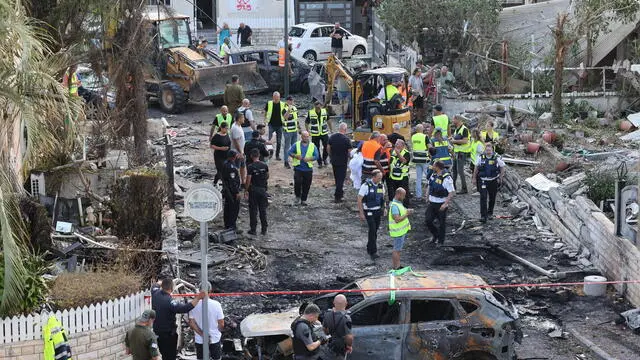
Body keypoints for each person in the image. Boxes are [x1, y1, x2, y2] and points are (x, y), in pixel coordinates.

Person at [151, 279, 204, 360]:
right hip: (168, 335)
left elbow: (154, 286)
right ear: (171, 288)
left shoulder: (155, 293)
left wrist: (160, 283)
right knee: (170, 356)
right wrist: (198, 298)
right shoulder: (169, 301)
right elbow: (184, 308)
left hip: (158, 333)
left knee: (164, 354)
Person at [188, 282, 224, 360]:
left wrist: (202, 334)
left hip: (200, 339)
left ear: (199, 291)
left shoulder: (193, 305)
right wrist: (216, 331)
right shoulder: (216, 304)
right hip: (214, 338)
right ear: (210, 291)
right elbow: (221, 324)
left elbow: (191, 323)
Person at [472, 143, 505, 223]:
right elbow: (476, 168)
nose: (488, 151)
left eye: (489, 150)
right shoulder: (480, 157)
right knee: (483, 197)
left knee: (492, 197)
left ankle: (490, 213)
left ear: (492, 150)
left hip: (493, 180)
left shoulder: (497, 157)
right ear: (485, 150)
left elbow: (502, 167)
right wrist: (474, 178)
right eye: (487, 150)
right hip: (483, 180)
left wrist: (500, 177)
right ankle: (483, 216)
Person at [357, 169, 385, 260]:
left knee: (375, 230)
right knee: (372, 229)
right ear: (373, 177)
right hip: (368, 211)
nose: (380, 179)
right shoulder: (365, 186)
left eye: (381, 177)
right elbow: (359, 200)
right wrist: (361, 213)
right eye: (379, 178)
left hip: (377, 211)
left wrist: (384, 208)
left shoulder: (381, 186)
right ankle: (373, 251)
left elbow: (382, 198)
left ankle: (370, 247)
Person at [425, 161, 454, 245]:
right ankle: (435, 235)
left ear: (437, 167)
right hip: (432, 202)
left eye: (433, 165)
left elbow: (451, 192)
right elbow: (429, 186)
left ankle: (441, 241)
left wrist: (445, 204)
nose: (432, 167)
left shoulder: (446, 178)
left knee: (442, 223)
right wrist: (427, 196)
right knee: (428, 220)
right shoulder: (433, 175)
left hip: (441, 204)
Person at [288, 131, 319, 206]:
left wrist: (310, 158)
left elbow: (316, 156)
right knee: (297, 183)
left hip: (308, 169)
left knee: (307, 184)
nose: (306, 138)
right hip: (298, 168)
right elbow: (289, 152)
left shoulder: (312, 146)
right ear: (301, 137)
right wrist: (295, 156)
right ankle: (297, 196)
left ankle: (304, 199)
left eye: (307, 136)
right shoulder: (296, 144)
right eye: (304, 136)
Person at [322, 295, 354, 359]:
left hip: (331, 344)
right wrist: (349, 346)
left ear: (334, 303)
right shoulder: (346, 318)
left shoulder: (327, 314)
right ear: (346, 303)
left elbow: (325, 330)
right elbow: (349, 337)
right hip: (341, 346)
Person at [246, 148, 269, 235]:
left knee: (253, 210)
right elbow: (267, 175)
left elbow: (248, 179)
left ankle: (253, 229)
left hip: (254, 190)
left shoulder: (250, 167)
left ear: (251, 156)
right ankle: (264, 229)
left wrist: (246, 189)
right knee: (263, 210)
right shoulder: (264, 165)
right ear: (259, 155)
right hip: (263, 190)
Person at [327, 122, 352, 202]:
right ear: (345, 129)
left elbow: (328, 148)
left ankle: (340, 193)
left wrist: (331, 155)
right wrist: (349, 158)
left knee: (337, 177)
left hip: (334, 160)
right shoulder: (346, 139)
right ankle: (337, 196)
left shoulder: (332, 137)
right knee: (341, 179)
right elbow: (349, 151)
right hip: (343, 161)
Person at [389, 187, 413, 269]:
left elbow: (401, 212)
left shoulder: (398, 203)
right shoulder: (395, 206)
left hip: (400, 231)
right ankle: (396, 267)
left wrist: (406, 211)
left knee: (398, 250)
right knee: (397, 250)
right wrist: (407, 214)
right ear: (398, 194)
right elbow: (397, 219)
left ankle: (398, 265)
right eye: (403, 195)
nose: (404, 197)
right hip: (398, 232)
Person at [306, 101, 332, 168]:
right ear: (314, 106)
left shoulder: (324, 111)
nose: (318, 107)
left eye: (319, 106)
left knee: (326, 147)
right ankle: (319, 162)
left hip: (324, 133)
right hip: (315, 134)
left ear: (321, 106)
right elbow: (306, 122)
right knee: (316, 149)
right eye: (316, 106)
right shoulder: (311, 112)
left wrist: (331, 129)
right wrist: (308, 131)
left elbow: (328, 120)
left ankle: (324, 159)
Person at [221, 150, 242, 231]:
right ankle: (231, 226)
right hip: (231, 191)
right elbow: (232, 181)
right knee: (233, 209)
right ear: (233, 157)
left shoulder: (225, 164)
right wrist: (237, 192)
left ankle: (227, 224)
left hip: (227, 190)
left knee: (227, 208)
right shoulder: (232, 168)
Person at [450, 115, 471, 194]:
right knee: (454, 170)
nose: (452, 120)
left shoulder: (464, 129)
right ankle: (453, 187)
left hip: (462, 152)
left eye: (453, 119)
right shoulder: (457, 129)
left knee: (460, 170)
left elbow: (465, 141)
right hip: (456, 152)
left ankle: (464, 188)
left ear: (458, 120)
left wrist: (454, 141)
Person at [388, 140, 411, 207]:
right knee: (394, 192)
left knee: (404, 192)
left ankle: (405, 206)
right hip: (393, 176)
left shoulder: (406, 153)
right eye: (396, 144)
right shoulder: (393, 152)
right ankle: (396, 204)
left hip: (403, 177)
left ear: (402, 145)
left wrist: (398, 153)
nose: (396, 145)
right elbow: (391, 161)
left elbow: (404, 161)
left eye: (398, 144)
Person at [265, 91, 285, 160]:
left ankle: (277, 155)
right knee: (269, 140)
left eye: (278, 98)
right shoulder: (269, 103)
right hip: (271, 124)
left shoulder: (283, 104)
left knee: (279, 141)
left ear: (279, 97)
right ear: (273, 97)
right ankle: (270, 153)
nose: (276, 99)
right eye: (275, 98)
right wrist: (265, 121)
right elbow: (265, 112)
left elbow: (285, 114)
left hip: (280, 125)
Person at [411, 124, 429, 201]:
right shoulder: (425, 137)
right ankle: (429, 195)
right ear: (422, 129)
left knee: (418, 178)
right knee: (429, 177)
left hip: (417, 160)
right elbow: (429, 147)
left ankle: (418, 196)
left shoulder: (413, 137)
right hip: (425, 160)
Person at [283, 95, 300, 169]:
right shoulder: (284, 108)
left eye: (293, 100)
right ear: (287, 101)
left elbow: (296, 119)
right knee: (287, 147)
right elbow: (285, 117)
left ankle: (295, 162)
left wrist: (299, 128)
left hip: (294, 130)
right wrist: (289, 110)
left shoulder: (295, 108)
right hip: (287, 131)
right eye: (291, 100)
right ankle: (286, 162)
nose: (292, 102)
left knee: (294, 146)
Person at [230, 112, 247, 184]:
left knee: (243, 166)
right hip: (237, 152)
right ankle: (236, 183)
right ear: (239, 119)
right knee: (237, 168)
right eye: (243, 118)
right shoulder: (235, 128)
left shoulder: (238, 126)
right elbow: (236, 142)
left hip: (241, 151)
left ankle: (243, 182)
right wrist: (240, 152)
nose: (244, 119)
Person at [469, 129, 485, 195]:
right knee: (474, 174)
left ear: (474, 134)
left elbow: (482, 153)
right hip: (473, 161)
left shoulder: (479, 144)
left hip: (478, 163)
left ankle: (479, 190)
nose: (470, 135)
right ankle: (477, 187)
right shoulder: (473, 141)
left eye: (471, 133)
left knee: (477, 176)